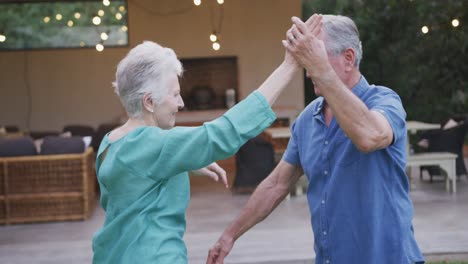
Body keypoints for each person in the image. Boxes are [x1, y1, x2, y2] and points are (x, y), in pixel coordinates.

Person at [91, 21, 321, 263]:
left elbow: (135, 177)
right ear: (149, 102)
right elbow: (223, 133)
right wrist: (289, 66)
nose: (180, 104)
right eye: (175, 94)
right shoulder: (151, 144)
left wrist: (186, 160)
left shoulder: (110, 143)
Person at [207, 14, 425, 264]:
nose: (308, 72)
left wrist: (321, 69)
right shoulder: (308, 119)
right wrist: (230, 235)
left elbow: (370, 136)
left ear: (348, 58)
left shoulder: (384, 101)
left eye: (315, 56)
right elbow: (276, 185)